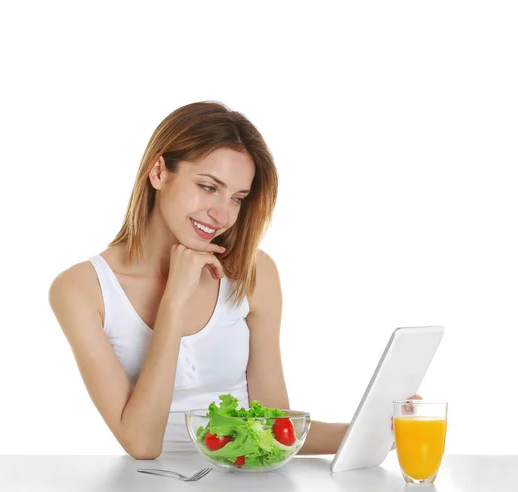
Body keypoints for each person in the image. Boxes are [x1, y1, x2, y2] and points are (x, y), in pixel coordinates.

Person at [49, 100, 417, 460]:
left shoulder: (254, 274)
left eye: (237, 198)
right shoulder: (81, 289)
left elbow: (273, 430)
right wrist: (174, 301)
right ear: (158, 172)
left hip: (246, 482)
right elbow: (142, 445)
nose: (222, 214)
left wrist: (374, 430)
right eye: (209, 187)